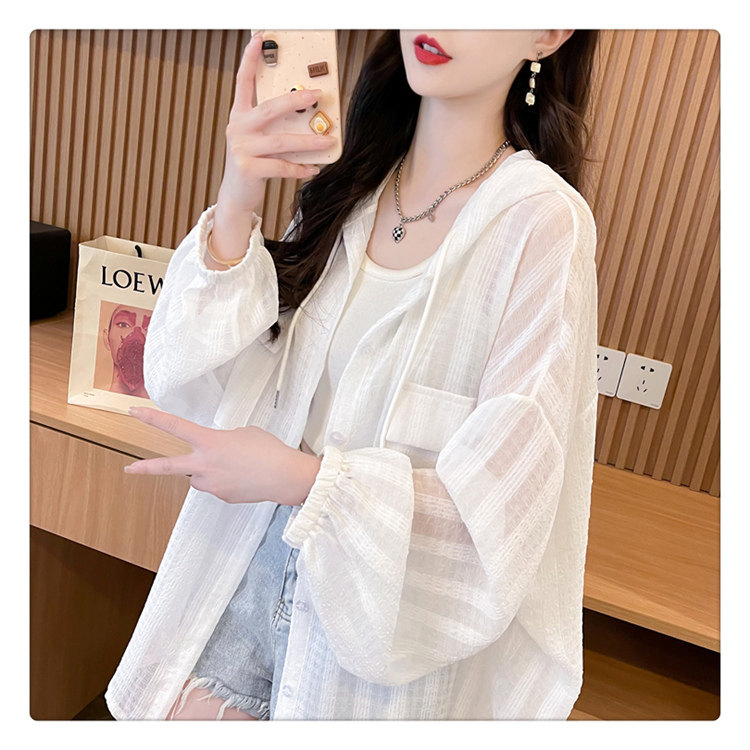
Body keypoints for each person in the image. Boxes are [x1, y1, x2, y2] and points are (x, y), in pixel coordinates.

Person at [105, 28, 601, 720]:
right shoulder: (355, 185)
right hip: (239, 578)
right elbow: (209, 381)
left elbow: (503, 511)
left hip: (369, 643)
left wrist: (304, 479)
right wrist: (239, 195)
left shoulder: (543, 225)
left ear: (549, 32)